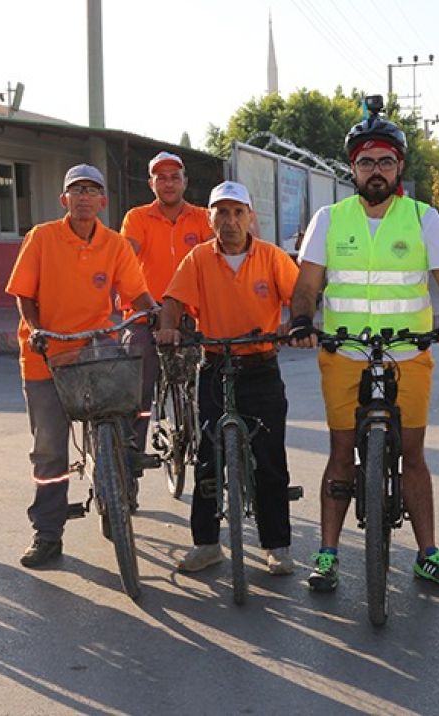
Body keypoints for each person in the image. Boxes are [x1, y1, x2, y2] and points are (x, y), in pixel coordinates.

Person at [288, 108, 439, 592]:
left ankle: (428, 553)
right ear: (353, 168)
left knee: (413, 454)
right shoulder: (329, 219)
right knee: (341, 452)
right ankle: (327, 553)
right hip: (343, 352)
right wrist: (302, 320)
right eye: (366, 162)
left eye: (385, 162)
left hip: (407, 353)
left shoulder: (422, 218)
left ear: (399, 168)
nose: (376, 171)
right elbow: (306, 285)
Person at [6, 164, 154, 569]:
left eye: (92, 190)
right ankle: (48, 534)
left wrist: (155, 315)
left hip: (95, 349)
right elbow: (23, 294)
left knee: (119, 423)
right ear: (64, 200)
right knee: (50, 450)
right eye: (77, 190)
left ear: (103, 201)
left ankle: (117, 495)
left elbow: (136, 293)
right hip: (46, 353)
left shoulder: (115, 243)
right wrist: (36, 330)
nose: (84, 197)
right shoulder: (41, 237)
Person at [155, 181, 299, 575]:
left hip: (262, 364)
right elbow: (172, 301)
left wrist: (297, 324)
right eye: (222, 212)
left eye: (238, 212)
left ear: (251, 217)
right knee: (207, 456)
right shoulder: (198, 258)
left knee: (270, 458)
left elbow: (300, 295)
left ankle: (277, 546)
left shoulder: (271, 257)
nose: (230, 221)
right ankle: (206, 544)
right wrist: (168, 329)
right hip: (216, 364)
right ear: (210, 218)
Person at [119, 152, 214, 477]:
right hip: (147, 313)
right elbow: (125, 263)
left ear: (185, 182)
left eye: (175, 176)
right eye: (161, 177)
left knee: (211, 384)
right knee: (137, 391)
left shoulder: (203, 217)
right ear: (151, 184)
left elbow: (217, 259)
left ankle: (211, 465)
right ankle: (128, 472)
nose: (169, 182)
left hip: (193, 316)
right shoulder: (137, 218)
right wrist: (148, 307)